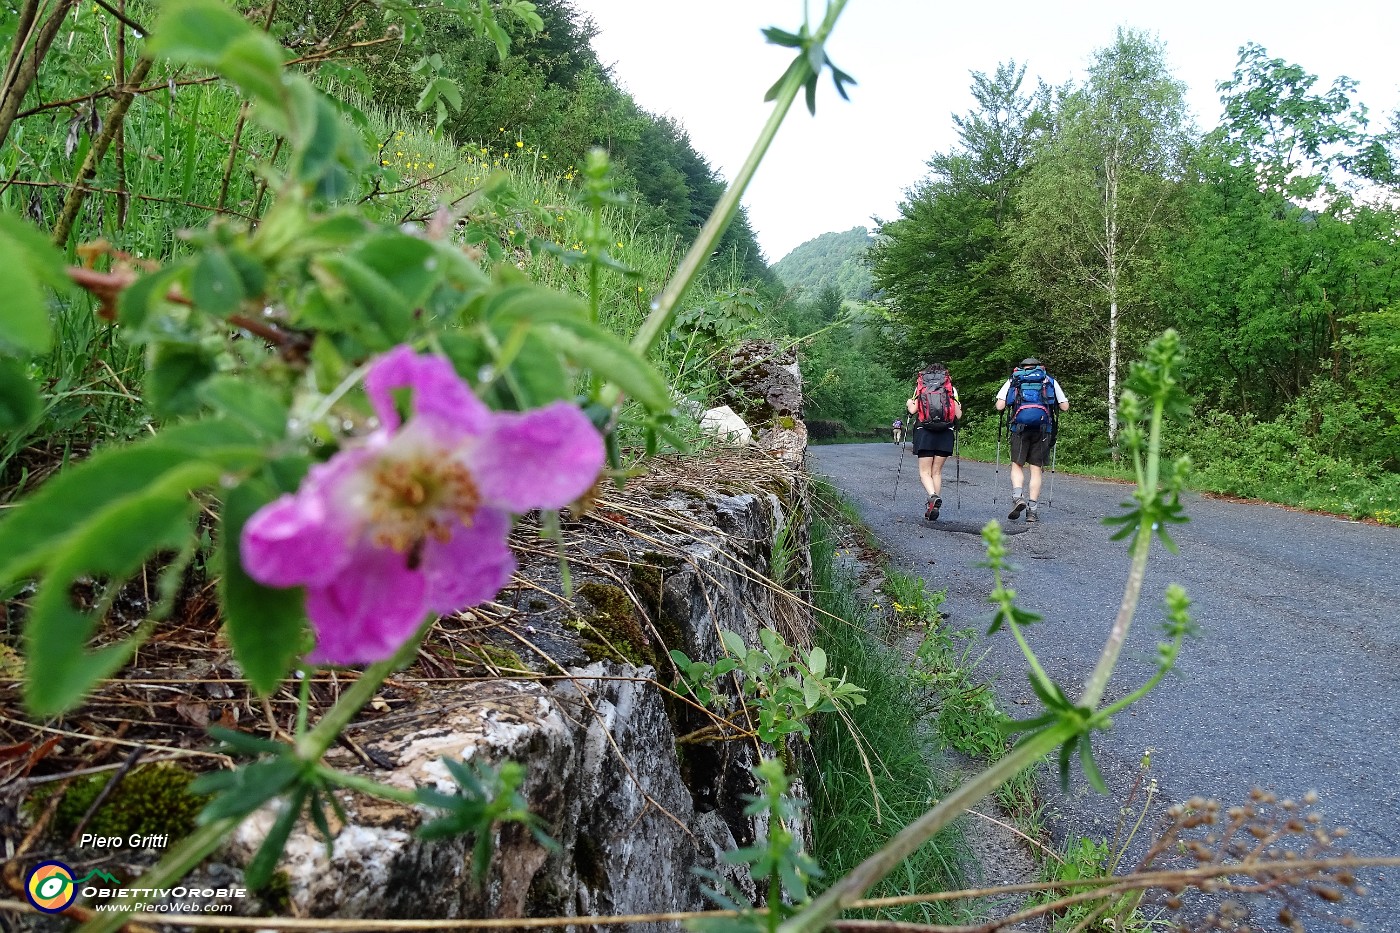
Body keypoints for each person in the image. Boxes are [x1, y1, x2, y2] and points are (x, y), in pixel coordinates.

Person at [995, 358, 1070, 524]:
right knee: (1036, 470)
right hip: (1043, 430)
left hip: (1019, 428)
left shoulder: (1014, 379)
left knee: (1017, 465)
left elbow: (1000, 406)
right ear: (1038, 366)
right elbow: (1064, 406)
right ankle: (1032, 511)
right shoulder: (1048, 379)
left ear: (1021, 367)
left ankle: (1017, 497)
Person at [906, 363, 962, 521]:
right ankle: (933, 504)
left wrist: (909, 403)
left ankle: (932, 497)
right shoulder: (950, 388)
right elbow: (958, 415)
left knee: (925, 472)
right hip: (946, 433)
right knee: (936, 472)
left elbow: (913, 410)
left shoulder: (921, 386)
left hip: (924, 432)